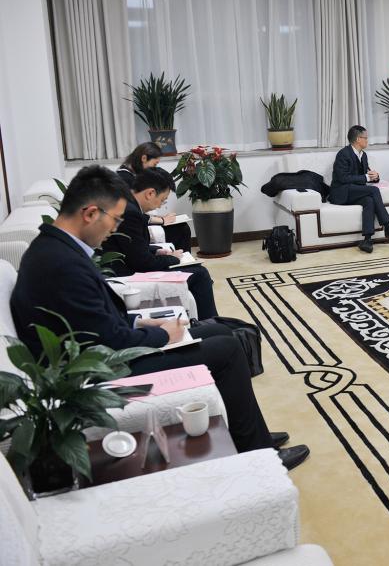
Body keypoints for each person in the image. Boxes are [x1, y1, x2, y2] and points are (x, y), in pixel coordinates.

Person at [10, 165, 309, 469]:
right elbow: (110, 341)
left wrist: (141, 322)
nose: (114, 230)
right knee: (227, 349)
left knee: (219, 331)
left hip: (105, 352)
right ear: (90, 214)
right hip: (99, 373)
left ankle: (251, 433)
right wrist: (164, 334)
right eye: (115, 219)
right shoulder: (61, 263)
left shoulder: (56, 248)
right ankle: (257, 453)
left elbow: (91, 322)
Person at [102, 167, 218, 320]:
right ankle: (212, 323)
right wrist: (173, 259)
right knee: (200, 274)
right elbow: (143, 263)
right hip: (127, 277)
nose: (161, 205)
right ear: (150, 193)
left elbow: (131, 247)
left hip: (130, 266)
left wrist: (157, 251)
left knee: (196, 270)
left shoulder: (128, 205)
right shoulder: (130, 213)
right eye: (163, 200)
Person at [329, 125, 389, 253]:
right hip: (341, 192)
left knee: (369, 201)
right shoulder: (343, 154)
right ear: (358, 139)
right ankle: (388, 227)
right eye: (365, 138)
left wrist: (375, 177)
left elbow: (367, 175)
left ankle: (367, 240)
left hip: (354, 191)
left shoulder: (363, 155)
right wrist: (365, 177)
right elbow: (343, 178)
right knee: (373, 191)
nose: (367, 140)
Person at [117, 142, 191, 253]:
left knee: (181, 227)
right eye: (155, 164)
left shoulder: (132, 175)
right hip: (135, 225)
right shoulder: (125, 178)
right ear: (144, 158)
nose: (154, 169)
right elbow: (132, 213)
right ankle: (182, 259)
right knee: (181, 229)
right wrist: (161, 220)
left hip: (141, 221)